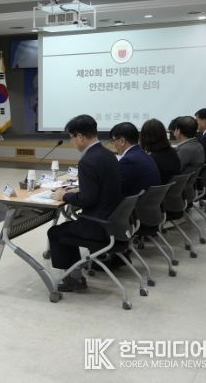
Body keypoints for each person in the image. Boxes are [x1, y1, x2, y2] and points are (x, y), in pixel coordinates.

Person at [48, 115, 122, 292]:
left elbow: (87, 200)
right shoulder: (109, 155)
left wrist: (64, 196)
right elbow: (100, 189)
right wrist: (78, 192)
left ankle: (74, 279)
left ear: (80, 136)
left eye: (71, 137)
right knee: (66, 227)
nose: (72, 142)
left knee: (56, 232)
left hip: (98, 226)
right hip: (114, 221)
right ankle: (75, 275)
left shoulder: (88, 161)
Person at [110, 122, 161, 197]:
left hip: (136, 203)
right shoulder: (143, 154)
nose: (113, 145)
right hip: (149, 201)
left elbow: (114, 190)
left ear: (122, 141)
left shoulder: (128, 161)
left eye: (113, 140)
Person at [140, 119, 181, 185]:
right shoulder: (172, 152)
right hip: (170, 189)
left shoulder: (150, 159)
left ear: (144, 137)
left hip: (157, 189)